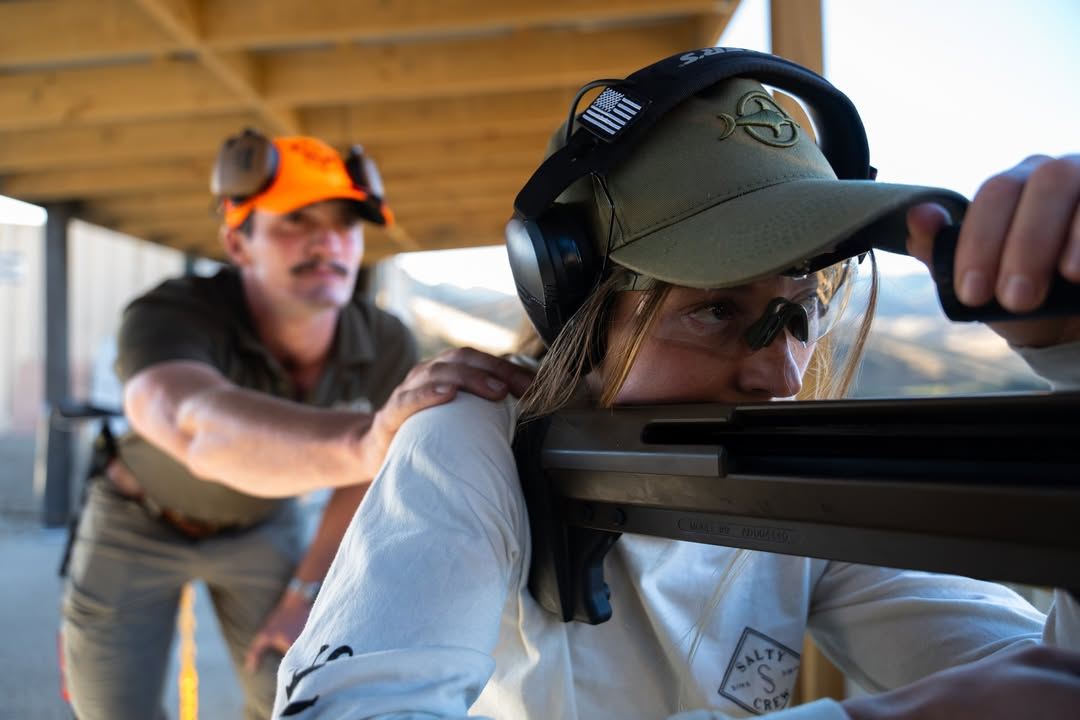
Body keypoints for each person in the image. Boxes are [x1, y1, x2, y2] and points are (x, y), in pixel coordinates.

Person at [275, 50, 1080, 719]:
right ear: (577, 303)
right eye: (717, 310)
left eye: (800, 312)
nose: (781, 375)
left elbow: (1042, 677)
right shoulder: (476, 441)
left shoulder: (798, 478)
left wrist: (1070, 359)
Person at [60, 131, 532, 720]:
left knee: (289, 689)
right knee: (110, 706)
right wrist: (364, 440)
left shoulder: (383, 338)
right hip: (138, 519)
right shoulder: (175, 311)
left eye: (346, 224)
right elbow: (191, 420)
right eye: (295, 220)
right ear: (237, 242)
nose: (327, 241)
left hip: (262, 523)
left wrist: (305, 591)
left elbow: (361, 480)